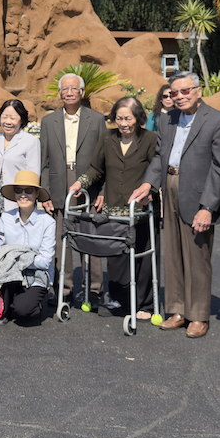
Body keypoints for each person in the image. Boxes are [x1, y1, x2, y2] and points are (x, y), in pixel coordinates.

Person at [131, 71, 220, 338]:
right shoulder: (168, 119)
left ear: (198, 91)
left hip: (198, 195)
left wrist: (207, 207)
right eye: (174, 92)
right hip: (169, 187)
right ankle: (177, 310)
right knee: (173, 254)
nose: (179, 97)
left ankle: (197, 315)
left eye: (185, 91)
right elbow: (159, 155)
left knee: (197, 257)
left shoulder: (218, 120)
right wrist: (148, 183)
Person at [73, 96, 159, 316]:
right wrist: (80, 183)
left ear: (138, 118)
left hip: (139, 209)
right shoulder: (107, 137)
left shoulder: (150, 139)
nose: (123, 123)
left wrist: (151, 190)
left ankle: (144, 305)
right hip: (113, 210)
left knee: (142, 259)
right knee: (116, 258)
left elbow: (156, 169)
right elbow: (96, 168)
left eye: (128, 118)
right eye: (119, 118)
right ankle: (120, 300)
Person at [40, 73, 107, 307]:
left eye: (73, 88)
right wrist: (45, 193)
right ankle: (64, 290)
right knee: (62, 239)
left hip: (89, 183)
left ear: (82, 92)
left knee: (91, 237)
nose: (69, 92)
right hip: (59, 182)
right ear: (60, 93)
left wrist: (102, 191)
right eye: (65, 89)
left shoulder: (96, 119)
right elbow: (44, 161)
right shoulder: (48, 121)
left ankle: (94, 290)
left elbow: (104, 159)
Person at [0, 170, 55, 324]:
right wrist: (23, 260)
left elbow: (45, 261)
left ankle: (34, 302)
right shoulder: (6, 217)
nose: (23, 195)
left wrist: (14, 258)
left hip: (36, 275)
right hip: (9, 274)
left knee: (22, 311)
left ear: (37, 193)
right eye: (18, 190)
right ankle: (12, 302)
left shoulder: (48, 222)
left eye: (29, 190)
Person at [0, 99, 40, 237]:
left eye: (13, 117)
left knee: (18, 240)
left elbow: (34, 174)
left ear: (21, 119)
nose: (8, 121)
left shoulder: (31, 141)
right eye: (4, 117)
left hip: (19, 201)